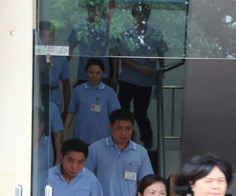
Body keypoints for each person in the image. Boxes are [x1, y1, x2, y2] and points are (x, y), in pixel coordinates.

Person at [114, 1, 168, 149]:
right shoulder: (127, 35)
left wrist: (161, 71)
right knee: (122, 113)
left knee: (140, 113)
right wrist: (140, 68)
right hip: (127, 80)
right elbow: (123, 58)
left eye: (142, 16)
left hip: (144, 83)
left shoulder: (155, 34)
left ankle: (147, 138)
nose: (139, 19)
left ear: (147, 17)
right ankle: (127, 137)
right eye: (136, 16)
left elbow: (161, 53)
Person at [64, 58, 121, 146]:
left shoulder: (109, 92)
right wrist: (64, 133)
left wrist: (118, 136)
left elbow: (117, 116)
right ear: (86, 72)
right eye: (91, 72)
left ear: (103, 73)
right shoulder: (78, 90)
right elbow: (70, 113)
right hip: (80, 138)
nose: (94, 76)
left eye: (97, 73)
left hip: (101, 140)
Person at [67, 0, 116, 87]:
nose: (94, 10)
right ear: (87, 9)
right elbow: (69, 51)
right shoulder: (79, 27)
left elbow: (114, 53)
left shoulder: (108, 28)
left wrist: (115, 75)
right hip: (84, 75)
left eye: (96, 8)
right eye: (91, 7)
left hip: (103, 75)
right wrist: (59, 69)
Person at [38, 21, 71, 117]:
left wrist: (66, 109)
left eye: (49, 36)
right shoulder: (33, 55)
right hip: (37, 95)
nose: (46, 39)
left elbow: (66, 83)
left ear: (53, 38)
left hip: (55, 97)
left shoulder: (60, 57)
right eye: (43, 36)